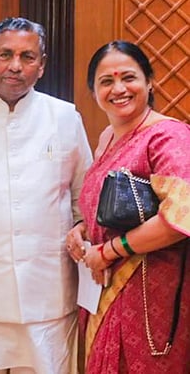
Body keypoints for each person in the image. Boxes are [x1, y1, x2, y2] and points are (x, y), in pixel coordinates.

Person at [0, 18, 92, 374]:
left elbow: (85, 200)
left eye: (27, 56)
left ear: (41, 65)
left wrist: (83, 228)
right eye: (5, 54)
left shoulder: (64, 117)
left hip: (47, 301)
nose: (15, 66)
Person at [67, 41, 190, 373]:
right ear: (93, 91)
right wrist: (82, 229)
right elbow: (110, 206)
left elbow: (182, 216)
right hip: (102, 292)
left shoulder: (167, 136)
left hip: (152, 298)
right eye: (106, 81)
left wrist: (109, 251)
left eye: (129, 78)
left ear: (149, 82)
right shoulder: (108, 136)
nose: (118, 88)